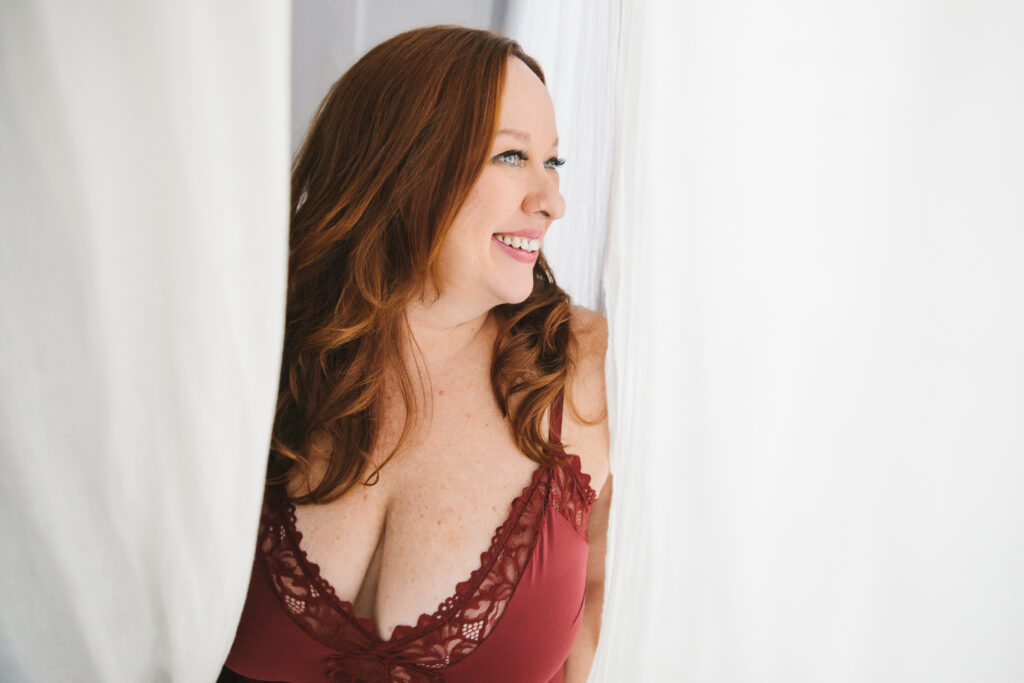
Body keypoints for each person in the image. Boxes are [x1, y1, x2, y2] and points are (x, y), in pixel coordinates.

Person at [221, 25, 611, 683]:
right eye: (513, 157)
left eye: (554, 162)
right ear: (406, 161)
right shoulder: (258, 341)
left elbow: (610, 620)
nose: (552, 201)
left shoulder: (587, 371)